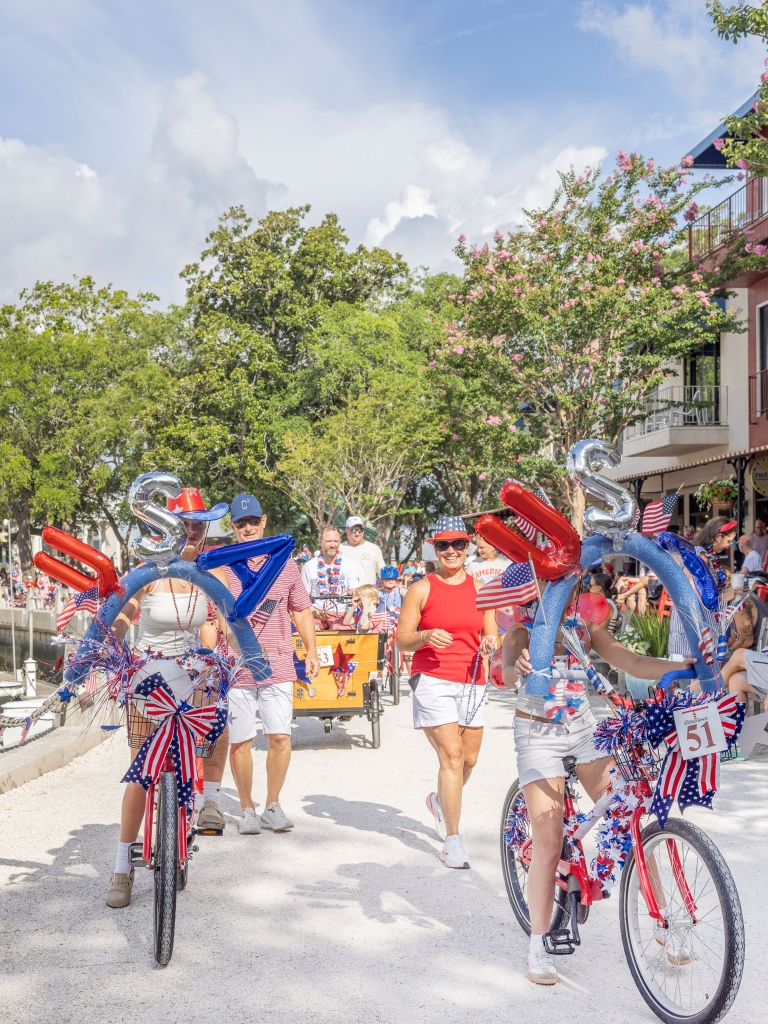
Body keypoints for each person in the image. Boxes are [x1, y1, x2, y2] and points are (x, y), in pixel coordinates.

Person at [500, 586, 696, 985]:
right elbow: (505, 675)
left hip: (585, 731)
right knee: (550, 839)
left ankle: (664, 922)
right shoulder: (522, 633)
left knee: (630, 816)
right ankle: (539, 942)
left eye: (569, 583)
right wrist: (518, 665)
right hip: (538, 735)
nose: (565, 591)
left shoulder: (582, 629)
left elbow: (633, 661)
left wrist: (685, 666)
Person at [106, 487, 230, 909]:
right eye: (186, 523)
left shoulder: (214, 573)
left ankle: (210, 802)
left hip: (190, 670)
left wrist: (239, 644)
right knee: (141, 767)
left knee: (220, 719)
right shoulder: (147, 569)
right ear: (166, 527)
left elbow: (230, 619)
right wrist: (113, 634)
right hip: (147, 674)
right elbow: (123, 612)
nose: (193, 532)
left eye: (199, 525)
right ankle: (122, 866)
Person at [206, 493, 320, 835]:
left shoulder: (284, 564)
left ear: (264, 521)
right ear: (232, 527)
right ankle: (246, 808)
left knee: (280, 737)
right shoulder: (222, 566)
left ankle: (273, 803)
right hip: (238, 666)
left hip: (279, 663)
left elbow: (300, 609)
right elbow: (212, 618)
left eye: (253, 521)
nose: (248, 528)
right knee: (241, 740)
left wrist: (311, 651)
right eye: (240, 523)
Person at [396, 517, 497, 870]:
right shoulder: (421, 589)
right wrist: (424, 636)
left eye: (457, 544)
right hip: (433, 678)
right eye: (443, 545)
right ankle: (452, 841)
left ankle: (440, 801)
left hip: (472, 680)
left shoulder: (483, 590)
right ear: (433, 548)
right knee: (452, 756)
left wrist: (490, 642)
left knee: (469, 759)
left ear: (468, 547)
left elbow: (492, 634)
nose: (451, 551)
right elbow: (401, 640)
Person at [669, 517, 737, 659]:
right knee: (699, 670)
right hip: (694, 621)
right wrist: (723, 597)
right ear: (719, 537)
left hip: (702, 620)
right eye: (729, 541)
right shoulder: (700, 554)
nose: (729, 545)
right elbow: (687, 589)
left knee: (702, 671)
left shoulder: (708, 555)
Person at [301, 525, 362, 627]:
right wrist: (313, 611)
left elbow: (354, 590)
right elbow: (303, 598)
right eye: (329, 541)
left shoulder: (350, 565)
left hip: (342, 615)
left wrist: (356, 594)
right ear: (320, 542)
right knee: (310, 632)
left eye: (336, 541)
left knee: (344, 640)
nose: (333, 545)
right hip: (316, 614)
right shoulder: (309, 566)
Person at [340, 515, 385, 585]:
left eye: (360, 530)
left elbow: (383, 574)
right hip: (347, 594)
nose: (357, 533)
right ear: (347, 531)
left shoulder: (374, 548)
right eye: (353, 530)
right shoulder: (339, 548)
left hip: (368, 594)